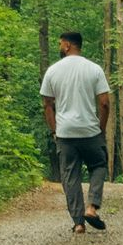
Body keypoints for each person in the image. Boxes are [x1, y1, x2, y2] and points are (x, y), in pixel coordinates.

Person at [39, 30, 111, 233]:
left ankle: (78, 223)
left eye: (60, 44)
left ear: (68, 45)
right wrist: (101, 129)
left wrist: (55, 131)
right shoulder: (94, 69)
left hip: (65, 134)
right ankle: (92, 207)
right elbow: (105, 103)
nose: (59, 47)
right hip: (90, 131)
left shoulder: (53, 71)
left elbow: (47, 105)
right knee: (98, 165)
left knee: (70, 176)